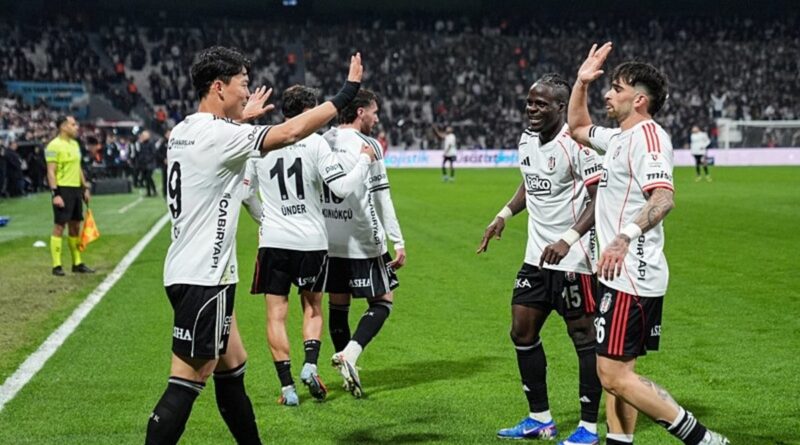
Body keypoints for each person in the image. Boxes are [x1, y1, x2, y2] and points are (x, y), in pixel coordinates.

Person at [144, 46, 364, 445]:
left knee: (234, 368)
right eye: (243, 84)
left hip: (191, 271)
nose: (248, 93)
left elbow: (216, 142)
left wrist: (241, 119)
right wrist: (346, 94)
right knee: (186, 383)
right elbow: (291, 131)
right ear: (218, 86)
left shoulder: (183, 130)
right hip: (204, 279)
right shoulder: (220, 136)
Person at [567, 42, 729, 445]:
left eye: (616, 88)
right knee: (618, 373)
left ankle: (703, 439)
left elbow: (663, 198)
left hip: (632, 273)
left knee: (612, 376)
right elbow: (577, 127)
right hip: (615, 271)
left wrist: (625, 237)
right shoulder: (618, 138)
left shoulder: (649, 139)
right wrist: (581, 83)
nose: (608, 94)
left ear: (639, 99)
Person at [477, 74, 603, 445]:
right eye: (530, 102)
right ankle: (540, 419)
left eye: (540, 104)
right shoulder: (527, 139)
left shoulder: (577, 144)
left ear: (561, 107)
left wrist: (568, 239)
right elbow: (528, 181)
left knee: (583, 337)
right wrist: (504, 214)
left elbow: (600, 198)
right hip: (536, 259)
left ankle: (588, 427)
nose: (531, 109)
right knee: (521, 331)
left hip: (574, 261)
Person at [246, 85, 377, 406]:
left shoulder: (261, 141)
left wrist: (267, 219)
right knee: (313, 307)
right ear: (307, 111)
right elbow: (342, 188)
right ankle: (309, 365)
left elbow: (246, 194)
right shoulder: (316, 142)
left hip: (274, 241)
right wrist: (364, 161)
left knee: (276, 315)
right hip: (311, 242)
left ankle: (287, 389)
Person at [321, 88, 406, 398]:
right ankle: (350, 354)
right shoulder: (369, 145)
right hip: (362, 238)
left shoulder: (324, 140)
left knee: (338, 304)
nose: (377, 118)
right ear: (360, 112)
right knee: (383, 300)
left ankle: (346, 367)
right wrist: (398, 240)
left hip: (329, 239)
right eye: (374, 111)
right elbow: (382, 197)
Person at [46, 115, 94, 276]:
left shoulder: (74, 144)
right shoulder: (53, 146)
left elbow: (78, 167)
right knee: (60, 226)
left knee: (75, 226)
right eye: (73, 124)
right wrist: (55, 194)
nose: (76, 127)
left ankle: (77, 263)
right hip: (62, 189)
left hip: (75, 189)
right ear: (63, 127)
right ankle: (56, 265)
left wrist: (84, 187)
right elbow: (51, 172)